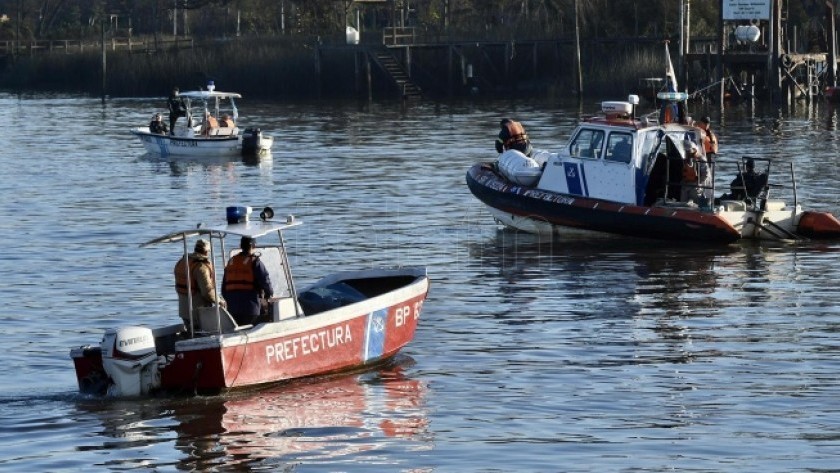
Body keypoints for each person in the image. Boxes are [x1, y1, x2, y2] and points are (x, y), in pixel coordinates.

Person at [222, 236, 274, 326]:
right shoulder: (255, 262)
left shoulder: (231, 262)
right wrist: (269, 294)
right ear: (254, 246)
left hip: (232, 309)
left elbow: (224, 289)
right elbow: (265, 281)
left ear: (240, 246)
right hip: (250, 308)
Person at [174, 239, 224, 329]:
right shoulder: (201, 267)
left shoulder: (182, 262)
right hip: (197, 313)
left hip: (183, 311)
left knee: (191, 332)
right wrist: (220, 301)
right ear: (206, 252)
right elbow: (207, 292)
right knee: (201, 333)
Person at [681, 141, 712, 205]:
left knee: (696, 198)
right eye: (686, 151)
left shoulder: (701, 159)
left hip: (696, 186)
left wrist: (698, 183)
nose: (687, 152)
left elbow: (705, 174)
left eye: (688, 150)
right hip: (686, 184)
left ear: (694, 150)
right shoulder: (687, 159)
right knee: (683, 201)